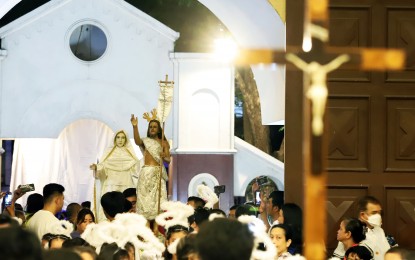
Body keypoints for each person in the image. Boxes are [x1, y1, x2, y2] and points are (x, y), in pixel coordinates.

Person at [90, 130, 139, 222]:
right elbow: (103, 171)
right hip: (111, 186)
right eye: (118, 137)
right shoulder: (109, 155)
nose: (120, 140)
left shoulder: (130, 156)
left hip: (126, 184)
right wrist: (96, 168)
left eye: (123, 137)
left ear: (126, 140)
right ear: (114, 139)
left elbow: (136, 170)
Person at [131, 114, 170, 220]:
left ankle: (157, 228)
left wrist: (164, 156)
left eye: (155, 127)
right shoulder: (145, 141)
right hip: (146, 172)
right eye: (150, 126)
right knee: (145, 200)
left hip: (157, 173)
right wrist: (135, 127)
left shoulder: (164, 143)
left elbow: (168, 159)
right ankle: (146, 225)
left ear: (158, 129)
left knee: (157, 200)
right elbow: (137, 141)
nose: (152, 128)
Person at [357, 196, 390, 260]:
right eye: (374, 213)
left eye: (379, 213)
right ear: (362, 215)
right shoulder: (351, 233)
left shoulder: (381, 232)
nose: (378, 216)